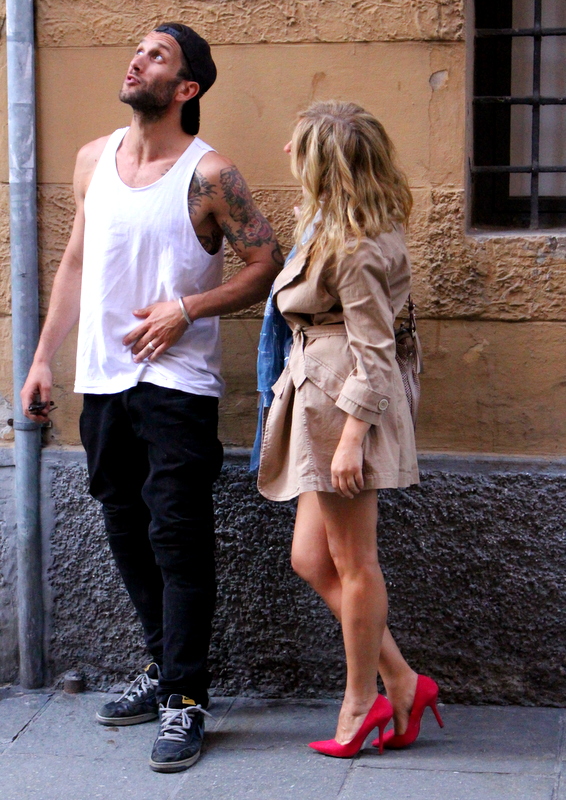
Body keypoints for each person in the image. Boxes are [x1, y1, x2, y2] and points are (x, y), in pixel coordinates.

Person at [21, 23, 281, 772]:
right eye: (137, 50)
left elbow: (266, 263)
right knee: (125, 528)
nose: (137, 60)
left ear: (186, 87)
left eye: (156, 55)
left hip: (177, 386)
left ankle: (186, 699)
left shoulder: (210, 176)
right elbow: (75, 263)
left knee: (177, 537)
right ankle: (165, 669)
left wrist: (186, 310)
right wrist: (42, 362)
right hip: (103, 379)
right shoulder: (92, 160)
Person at [257, 101, 444, 756]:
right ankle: (404, 681)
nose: (287, 152)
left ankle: (362, 702)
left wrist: (351, 441)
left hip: (342, 409)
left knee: (354, 562)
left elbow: (375, 351)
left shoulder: (356, 246)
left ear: (324, 164)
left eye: (299, 144)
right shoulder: (331, 224)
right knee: (310, 558)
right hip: (320, 398)